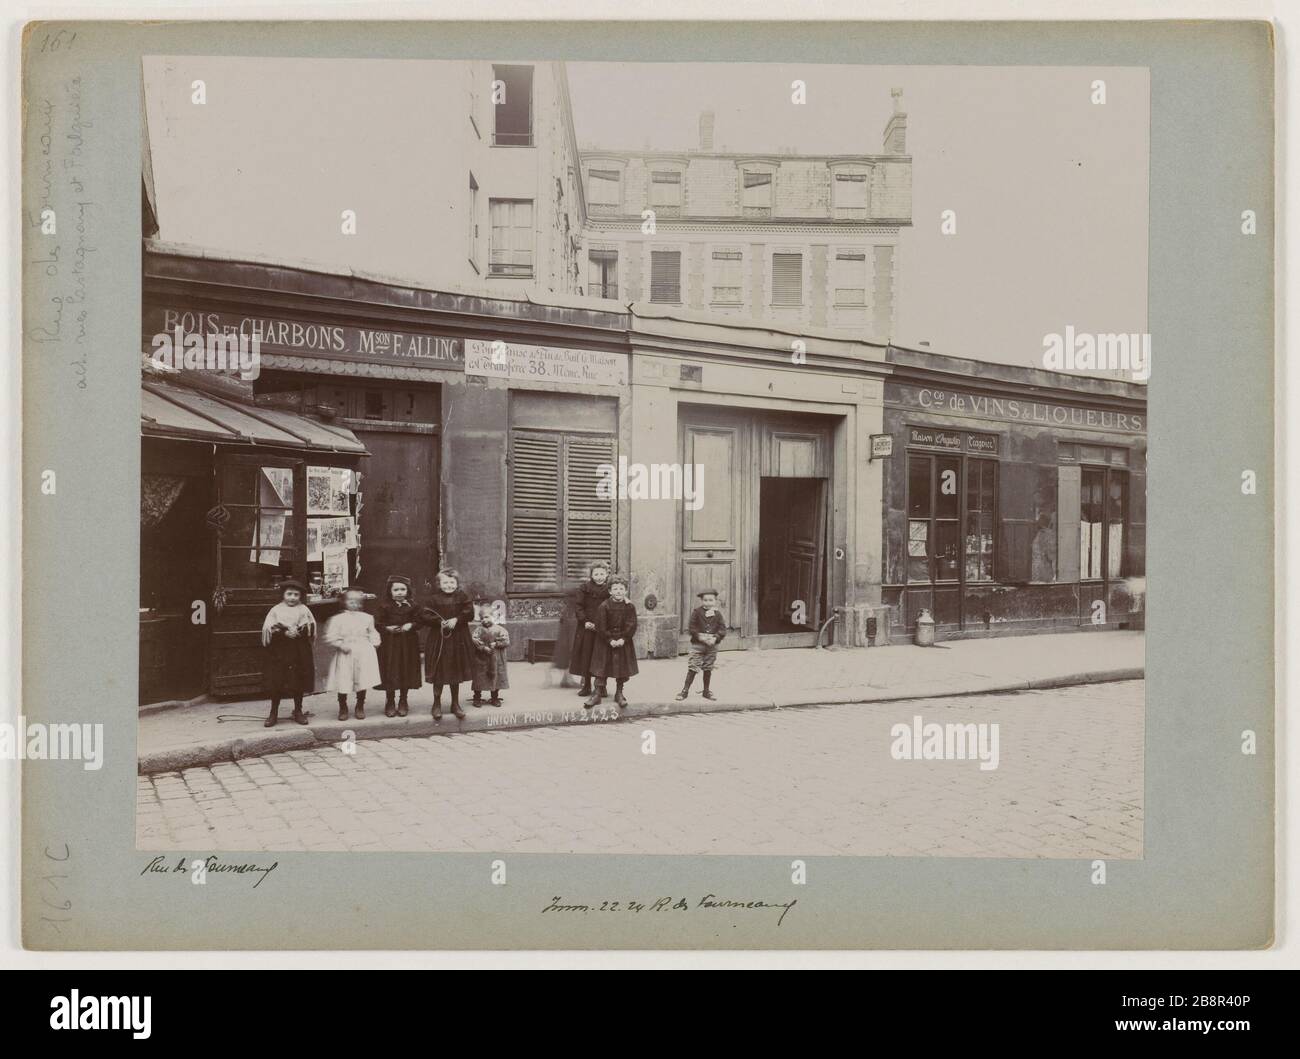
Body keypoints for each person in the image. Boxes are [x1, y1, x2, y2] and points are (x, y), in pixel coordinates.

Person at [260, 580, 316, 727]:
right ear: (283, 595)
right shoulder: (276, 610)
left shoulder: (303, 610)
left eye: (296, 595)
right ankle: (273, 713)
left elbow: (310, 627)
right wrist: (284, 632)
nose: (292, 597)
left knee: (298, 680)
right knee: (277, 680)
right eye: (289, 594)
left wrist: (299, 631)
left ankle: (298, 710)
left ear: (300, 596)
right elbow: (269, 629)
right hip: (280, 651)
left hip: (298, 650)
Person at [421, 568, 475, 721]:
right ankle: (436, 703)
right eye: (445, 582)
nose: (449, 585)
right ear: (439, 584)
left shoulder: (462, 596)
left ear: (457, 583)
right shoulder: (433, 599)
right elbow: (425, 614)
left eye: (452, 582)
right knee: (439, 670)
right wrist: (440, 621)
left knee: (455, 670)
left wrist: (456, 620)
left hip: (457, 639)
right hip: (439, 639)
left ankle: (455, 703)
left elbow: (469, 612)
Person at [323, 587, 382, 720]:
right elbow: (331, 636)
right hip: (346, 652)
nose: (354, 604)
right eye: (351, 601)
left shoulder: (367, 618)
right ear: (344, 602)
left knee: (362, 679)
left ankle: (360, 705)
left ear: (361, 603)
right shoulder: (337, 619)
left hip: (363, 651)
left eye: (357, 601)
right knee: (343, 678)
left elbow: (373, 632)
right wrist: (340, 644)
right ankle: (342, 706)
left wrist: (374, 644)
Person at [586, 574, 638, 709]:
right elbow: (600, 625)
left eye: (621, 589)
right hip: (605, 642)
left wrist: (623, 638)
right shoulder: (604, 606)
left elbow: (632, 624)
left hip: (622, 641)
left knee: (621, 668)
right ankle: (597, 694)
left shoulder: (629, 606)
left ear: (626, 590)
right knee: (601, 668)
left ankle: (619, 693)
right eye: (615, 589)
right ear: (610, 591)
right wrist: (609, 639)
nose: (618, 592)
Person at [375, 574, 421, 717]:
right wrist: (387, 628)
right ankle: (390, 701)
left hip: (408, 644)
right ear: (390, 591)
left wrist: (411, 625)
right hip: (390, 644)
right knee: (391, 670)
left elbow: (420, 621)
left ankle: (403, 700)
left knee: (405, 669)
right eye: (396, 590)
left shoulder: (414, 606)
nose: (400, 592)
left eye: (403, 589)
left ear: (408, 591)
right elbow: (378, 623)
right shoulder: (384, 606)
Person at [568, 560, 611, 698]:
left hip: (603, 629)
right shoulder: (584, 588)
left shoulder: (609, 589)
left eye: (602, 574)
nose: (599, 576)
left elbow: (614, 604)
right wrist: (585, 621)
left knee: (602, 657)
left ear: (607, 574)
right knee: (586, 656)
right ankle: (586, 685)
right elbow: (578, 606)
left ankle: (601, 686)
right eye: (596, 574)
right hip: (586, 628)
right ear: (591, 575)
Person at [676, 589, 726, 701]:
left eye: (710, 600)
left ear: (715, 601)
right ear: (701, 601)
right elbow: (692, 627)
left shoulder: (718, 614)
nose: (708, 602)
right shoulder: (697, 612)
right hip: (698, 645)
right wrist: (700, 636)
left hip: (712, 646)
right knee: (693, 666)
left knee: (708, 668)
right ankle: (685, 690)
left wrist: (716, 637)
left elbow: (722, 629)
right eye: (705, 600)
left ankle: (706, 691)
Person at [470, 606, 510, 707]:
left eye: (487, 617)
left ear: (493, 617)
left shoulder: (500, 630)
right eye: (482, 618)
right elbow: (474, 640)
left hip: (496, 659)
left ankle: (494, 697)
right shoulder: (478, 630)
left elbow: (506, 641)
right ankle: (477, 697)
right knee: (479, 677)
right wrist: (483, 647)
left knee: (495, 677)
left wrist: (496, 644)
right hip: (481, 659)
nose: (484, 620)